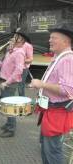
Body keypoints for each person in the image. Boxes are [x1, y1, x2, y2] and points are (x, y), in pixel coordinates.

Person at [30, 23, 73, 164]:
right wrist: (41, 87)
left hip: (57, 112)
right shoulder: (59, 57)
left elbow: (67, 90)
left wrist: (42, 84)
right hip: (50, 110)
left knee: (53, 151)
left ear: (65, 41)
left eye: (53, 37)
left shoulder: (67, 59)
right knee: (46, 149)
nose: (49, 40)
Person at [0, 28, 26, 138]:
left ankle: (11, 129)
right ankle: (8, 124)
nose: (9, 43)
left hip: (9, 83)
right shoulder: (10, 52)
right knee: (7, 105)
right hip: (5, 80)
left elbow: (19, 70)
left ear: (19, 41)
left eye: (11, 41)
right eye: (9, 42)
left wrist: (7, 83)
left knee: (10, 106)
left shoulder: (19, 53)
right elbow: (2, 65)